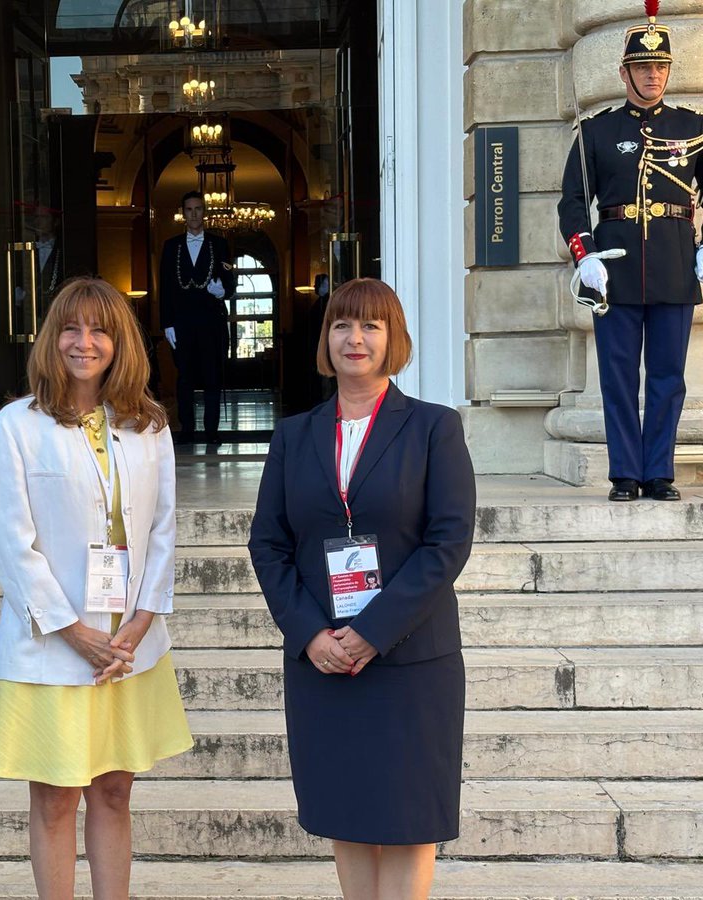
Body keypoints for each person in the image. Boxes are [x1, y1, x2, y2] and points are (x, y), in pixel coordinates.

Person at [248, 278, 475, 900]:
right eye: (343, 325)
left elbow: (447, 543)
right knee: (346, 815)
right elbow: (267, 544)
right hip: (323, 659)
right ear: (326, 339)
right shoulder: (295, 436)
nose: (356, 338)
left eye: (371, 325)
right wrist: (310, 633)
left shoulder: (434, 429)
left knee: (407, 823)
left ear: (393, 338)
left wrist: (372, 632)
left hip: (410, 660)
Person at [0, 277, 192, 900]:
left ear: (119, 340)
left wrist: (142, 619)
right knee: (53, 798)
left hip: (129, 646)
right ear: (52, 338)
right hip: (52, 646)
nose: (84, 342)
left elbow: (163, 528)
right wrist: (74, 632)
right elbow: (13, 546)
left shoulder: (147, 424)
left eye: (99, 329)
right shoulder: (15, 426)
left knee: (114, 790)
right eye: (71, 328)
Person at [558, 2, 703, 502]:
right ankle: (625, 473)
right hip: (614, 271)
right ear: (624, 72)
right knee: (618, 378)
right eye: (643, 67)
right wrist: (585, 256)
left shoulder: (694, 129)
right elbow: (573, 203)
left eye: (660, 67)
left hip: (675, 265)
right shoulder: (597, 132)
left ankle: (658, 471)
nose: (653, 75)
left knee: (667, 378)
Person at [158, 190, 235, 445]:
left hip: (211, 320)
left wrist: (222, 291)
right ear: (183, 213)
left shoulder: (219, 244)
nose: (193, 214)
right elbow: (166, 287)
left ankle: (212, 431)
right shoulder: (171, 246)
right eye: (189, 209)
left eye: (198, 209)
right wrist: (166, 322)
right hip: (182, 322)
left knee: (212, 376)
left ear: (205, 212)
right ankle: (187, 429)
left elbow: (230, 284)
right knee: (185, 378)